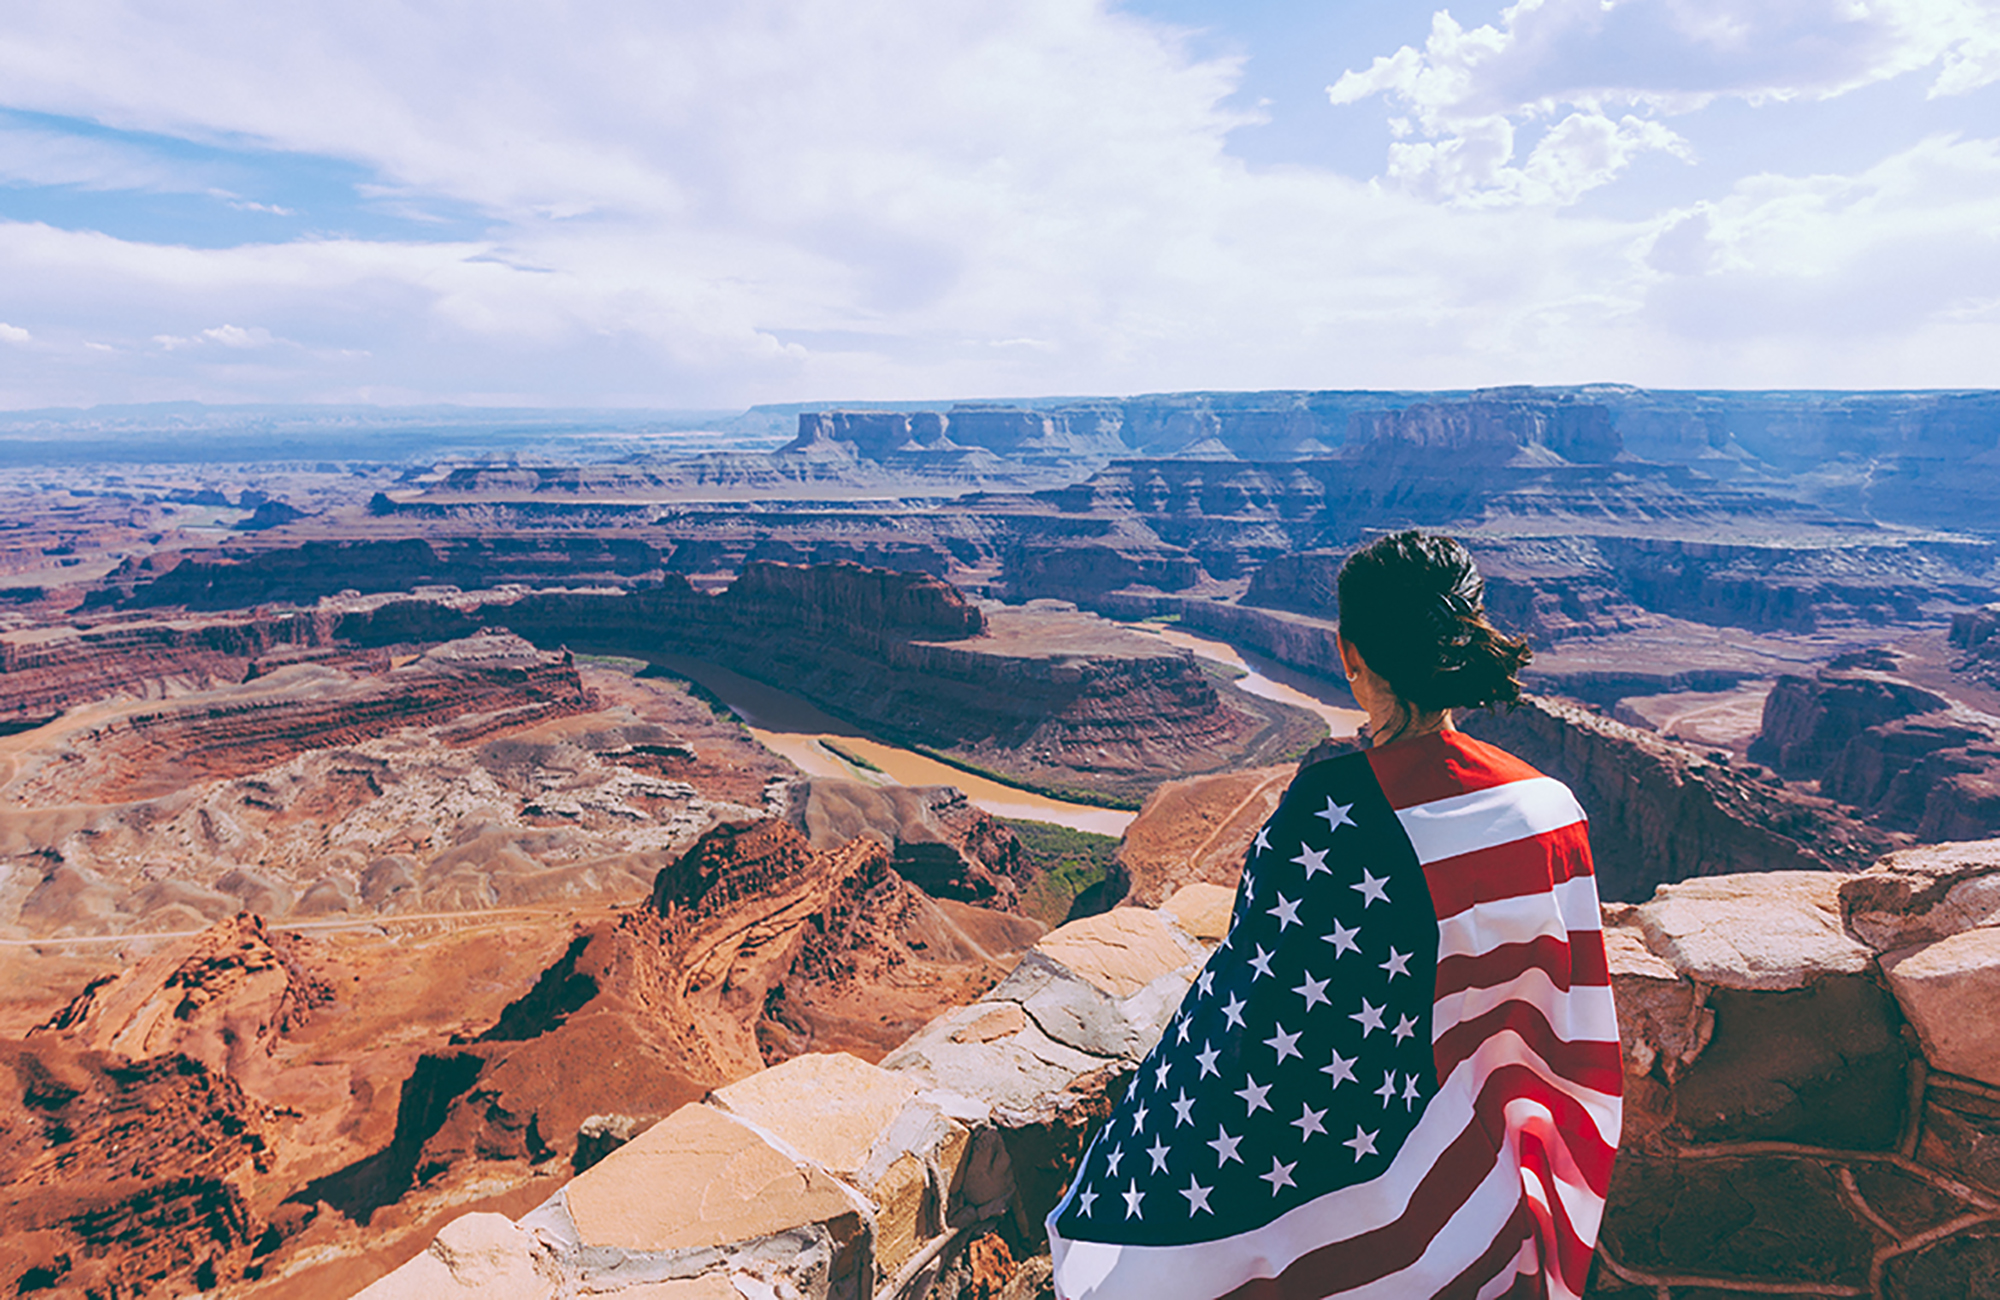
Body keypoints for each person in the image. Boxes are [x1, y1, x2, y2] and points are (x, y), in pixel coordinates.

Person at [1048, 530, 1622, 1300]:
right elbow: (1566, 1019)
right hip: (1480, 1201)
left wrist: (1146, 1139)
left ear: (1351, 655)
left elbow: (1251, 1015)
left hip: (1344, 1215)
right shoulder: (1551, 812)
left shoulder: (1333, 813)